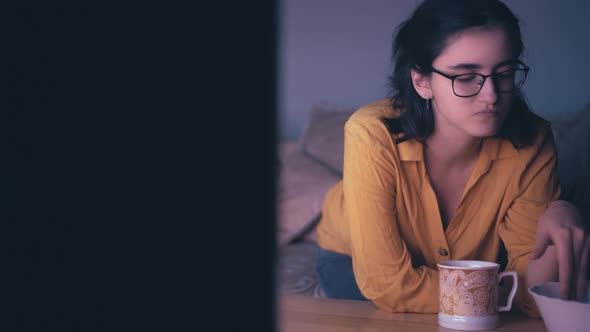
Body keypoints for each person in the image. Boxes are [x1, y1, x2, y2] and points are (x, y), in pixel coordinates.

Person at [314, 0, 589, 317]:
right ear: (422, 81)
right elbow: (387, 284)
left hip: (470, 270)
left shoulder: (533, 141)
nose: (491, 97)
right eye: (466, 76)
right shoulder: (371, 134)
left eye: (504, 73)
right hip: (349, 259)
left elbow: (530, 296)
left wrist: (561, 213)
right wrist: (495, 292)